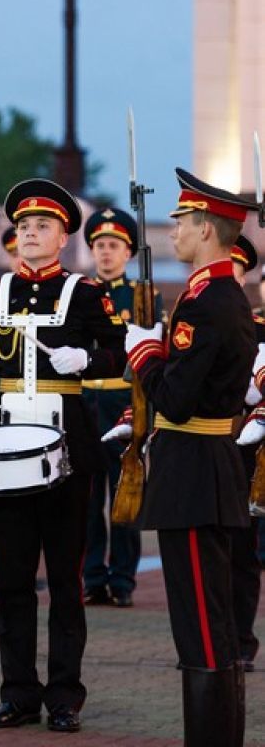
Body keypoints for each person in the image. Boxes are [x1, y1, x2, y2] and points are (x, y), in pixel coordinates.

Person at [0, 178, 126, 732]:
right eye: (24, 227)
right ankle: (19, 693)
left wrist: (88, 358)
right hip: (7, 441)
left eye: (42, 226)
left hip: (68, 444)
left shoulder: (85, 291)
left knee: (66, 578)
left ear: (63, 236)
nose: (30, 233)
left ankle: (64, 696)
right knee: (11, 578)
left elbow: (122, 352)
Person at [123, 168, 255, 745]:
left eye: (180, 221)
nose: (172, 231)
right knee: (211, 626)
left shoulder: (208, 304)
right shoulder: (216, 295)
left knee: (202, 627)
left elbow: (175, 399)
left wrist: (144, 351)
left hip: (195, 473)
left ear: (205, 228)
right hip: (204, 469)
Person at [80, 207, 162, 609]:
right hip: (85, 399)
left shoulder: (143, 296)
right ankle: (93, 576)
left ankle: (124, 579)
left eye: (114, 246)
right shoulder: (80, 292)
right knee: (88, 496)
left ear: (128, 253)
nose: (106, 253)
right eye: (99, 246)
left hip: (121, 400)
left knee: (125, 491)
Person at [228, 235, 263, 674]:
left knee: (241, 549)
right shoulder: (192, 318)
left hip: (245, 444)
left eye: (235, 268)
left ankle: (240, 639)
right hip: (205, 441)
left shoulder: (260, 329)